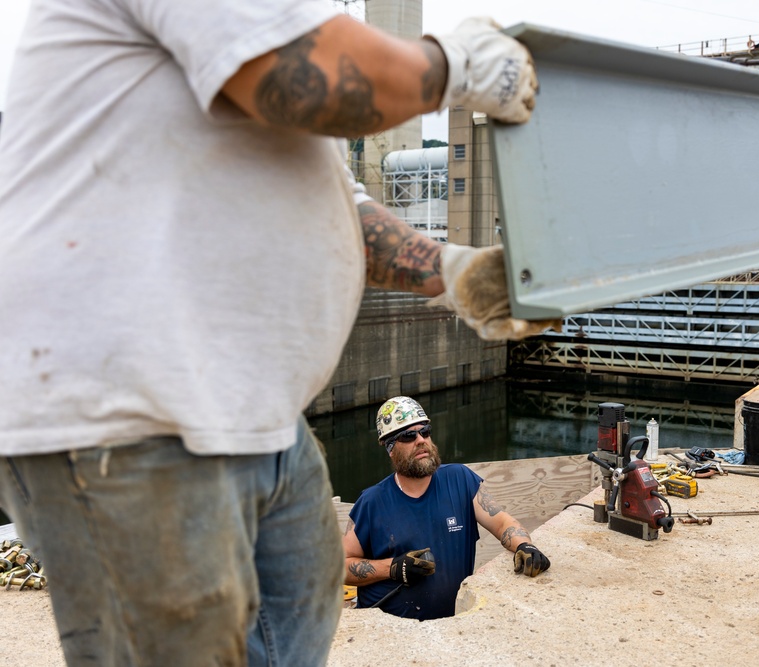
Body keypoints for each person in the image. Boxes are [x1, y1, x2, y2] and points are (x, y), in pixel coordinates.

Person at [0, 2, 558, 665]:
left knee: (296, 620)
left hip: (250, 407)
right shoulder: (264, 36)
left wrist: (452, 273)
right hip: (127, 402)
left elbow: (338, 209)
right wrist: (452, 65)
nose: (418, 440)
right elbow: (316, 74)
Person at [343, 396, 550, 620]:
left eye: (425, 431)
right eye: (409, 436)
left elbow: (501, 522)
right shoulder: (373, 502)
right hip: (393, 632)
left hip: (451, 628)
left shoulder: (460, 480)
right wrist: (393, 568)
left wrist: (525, 546)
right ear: (390, 449)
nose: (421, 440)